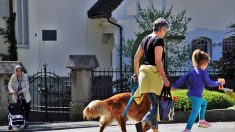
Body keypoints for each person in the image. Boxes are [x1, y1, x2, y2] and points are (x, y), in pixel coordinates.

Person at [172, 49, 225, 132]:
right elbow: (209, 83)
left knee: (204, 103)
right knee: (194, 112)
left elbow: (182, 78)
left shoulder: (191, 71)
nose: (207, 65)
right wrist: (218, 83)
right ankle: (187, 129)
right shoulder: (203, 72)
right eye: (207, 63)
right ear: (204, 62)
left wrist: (175, 86)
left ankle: (202, 121)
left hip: (191, 95)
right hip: (197, 96)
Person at [133, 18, 170, 132]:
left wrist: (135, 74)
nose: (165, 33)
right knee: (158, 106)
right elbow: (158, 61)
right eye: (166, 31)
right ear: (162, 29)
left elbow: (136, 57)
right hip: (153, 76)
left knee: (154, 105)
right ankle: (143, 121)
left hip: (143, 75)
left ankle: (155, 130)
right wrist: (165, 79)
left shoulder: (145, 39)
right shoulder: (158, 40)